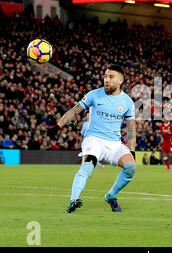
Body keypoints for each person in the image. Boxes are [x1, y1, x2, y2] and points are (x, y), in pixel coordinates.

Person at [48, 65, 137, 213]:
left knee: (131, 167)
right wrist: (58, 126)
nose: (106, 80)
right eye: (105, 76)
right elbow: (75, 110)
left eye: (111, 77)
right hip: (94, 138)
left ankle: (111, 195)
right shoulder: (94, 95)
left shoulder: (127, 102)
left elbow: (131, 128)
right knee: (88, 164)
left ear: (121, 80)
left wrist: (132, 151)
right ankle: (73, 200)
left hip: (114, 143)